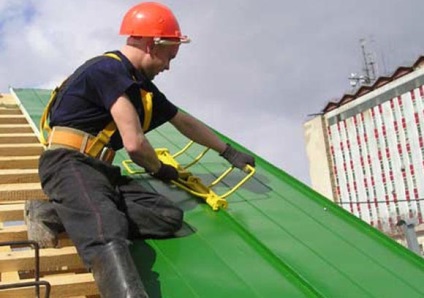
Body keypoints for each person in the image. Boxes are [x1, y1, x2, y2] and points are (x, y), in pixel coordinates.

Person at [27, 2, 255, 297]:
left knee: (166, 216)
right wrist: (160, 169)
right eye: (169, 57)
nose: (168, 66)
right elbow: (134, 144)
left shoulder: (141, 89)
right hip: (67, 163)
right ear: (152, 45)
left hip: (101, 171)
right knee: (106, 231)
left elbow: (182, 121)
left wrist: (227, 151)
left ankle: (49, 213)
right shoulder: (107, 69)